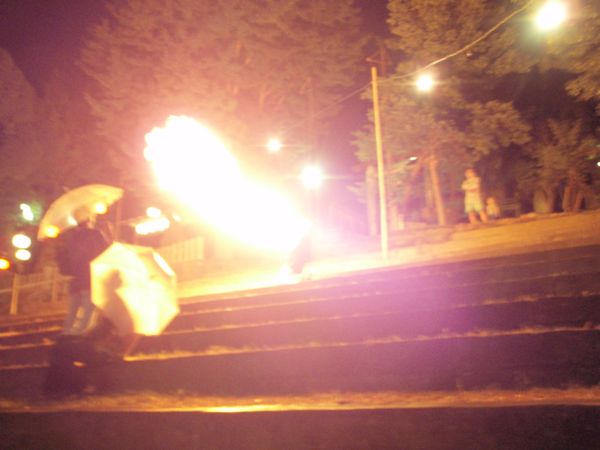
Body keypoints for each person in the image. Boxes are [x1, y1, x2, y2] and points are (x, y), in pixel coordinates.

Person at [55, 213, 109, 334]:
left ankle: (67, 332)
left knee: (73, 309)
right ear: (89, 220)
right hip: (89, 277)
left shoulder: (71, 237)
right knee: (89, 308)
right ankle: (80, 332)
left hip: (75, 279)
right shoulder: (96, 234)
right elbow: (106, 252)